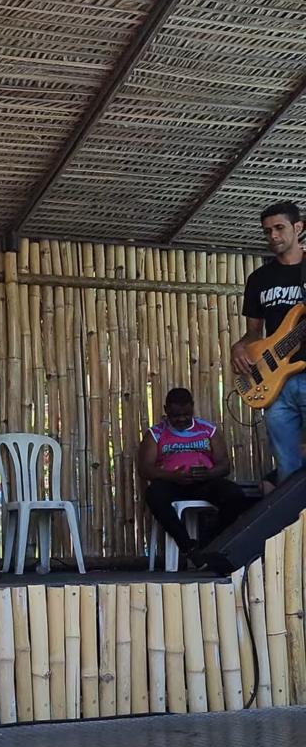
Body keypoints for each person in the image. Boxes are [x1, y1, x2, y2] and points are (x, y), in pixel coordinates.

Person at [231, 201, 306, 482]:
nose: (273, 236)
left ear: (298, 227)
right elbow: (253, 334)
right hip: (276, 383)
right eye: (267, 231)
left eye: (279, 228)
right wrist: (238, 347)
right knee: (286, 466)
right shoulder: (259, 278)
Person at [138, 388, 247, 565]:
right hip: (171, 483)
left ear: (193, 407)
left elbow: (224, 465)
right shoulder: (155, 434)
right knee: (154, 494)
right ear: (166, 410)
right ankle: (188, 547)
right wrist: (172, 476)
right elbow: (145, 469)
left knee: (234, 495)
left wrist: (209, 473)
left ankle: (212, 543)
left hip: (203, 482)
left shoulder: (208, 430)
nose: (182, 419)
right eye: (176, 416)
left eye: (186, 414)